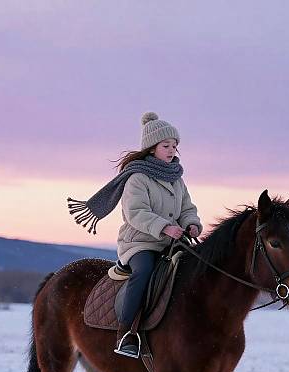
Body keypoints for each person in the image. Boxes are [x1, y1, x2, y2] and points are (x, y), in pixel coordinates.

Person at [67, 112, 203, 358]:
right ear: (152, 148)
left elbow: (186, 208)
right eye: (166, 146)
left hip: (172, 242)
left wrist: (192, 224)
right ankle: (127, 332)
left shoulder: (177, 179)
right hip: (140, 243)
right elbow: (136, 213)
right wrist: (165, 227)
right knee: (144, 272)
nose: (172, 150)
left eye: (175, 146)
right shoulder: (137, 178)